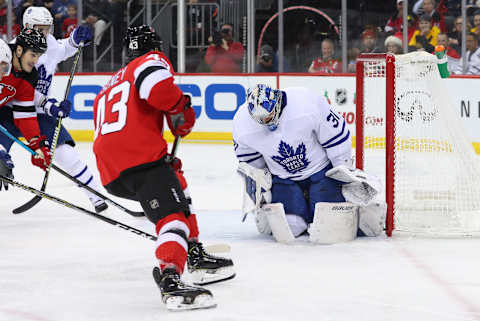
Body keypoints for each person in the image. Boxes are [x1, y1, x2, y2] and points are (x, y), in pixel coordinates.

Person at [92, 25, 235, 311]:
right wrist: (181, 106)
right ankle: (171, 278)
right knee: (173, 219)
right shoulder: (149, 62)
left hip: (111, 170)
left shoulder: (109, 83)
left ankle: (192, 251)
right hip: (139, 158)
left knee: (176, 183)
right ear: (153, 48)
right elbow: (158, 90)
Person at [233, 84, 385, 244]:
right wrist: (262, 184)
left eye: (269, 116)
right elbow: (250, 161)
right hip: (283, 179)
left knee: (329, 227)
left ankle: (361, 211)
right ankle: (296, 208)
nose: (266, 121)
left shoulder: (305, 102)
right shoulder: (242, 124)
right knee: (292, 227)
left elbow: (336, 135)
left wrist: (343, 169)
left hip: (321, 173)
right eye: (261, 119)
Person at [0, 7, 107, 213]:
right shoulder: (9, 53)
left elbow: (64, 49)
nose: (45, 33)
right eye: (39, 28)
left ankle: (96, 195)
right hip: (6, 112)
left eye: (47, 28)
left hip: (33, 112)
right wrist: (50, 106)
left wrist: (76, 38)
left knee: (65, 154)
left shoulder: (47, 44)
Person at [0, 29, 51, 179]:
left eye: (39, 56)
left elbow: (25, 114)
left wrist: (37, 145)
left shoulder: (29, 76)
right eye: (33, 55)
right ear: (19, 50)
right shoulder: (2, 55)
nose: (36, 61)